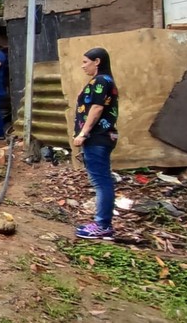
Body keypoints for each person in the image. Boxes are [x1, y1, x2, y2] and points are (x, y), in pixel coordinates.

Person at [73, 47, 119, 240]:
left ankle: (102, 225)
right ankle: (102, 224)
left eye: (85, 62)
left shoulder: (101, 81)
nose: (83, 66)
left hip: (97, 136)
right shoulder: (104, 80)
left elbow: (97, 108)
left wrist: (83, 133)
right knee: (102, 180)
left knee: (101, 182)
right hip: (102, 136)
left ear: (97, 61)